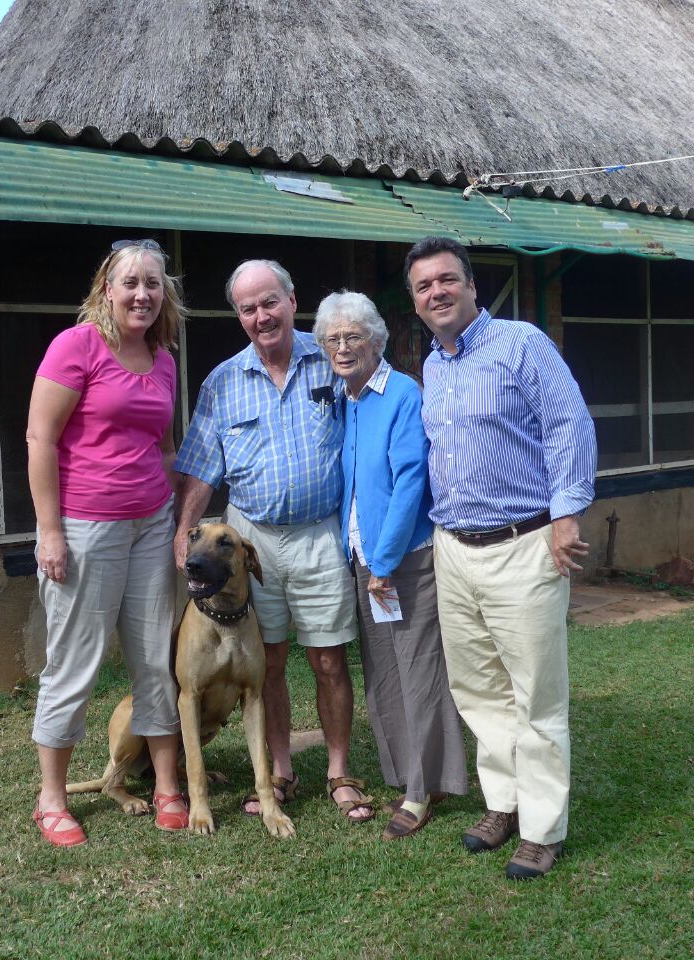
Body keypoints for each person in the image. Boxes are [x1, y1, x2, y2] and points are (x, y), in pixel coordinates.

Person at [405, 236, 596, 879]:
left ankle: (542, 829)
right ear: (415, 300)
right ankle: (504, 804)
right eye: (424, 286)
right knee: (479, 689)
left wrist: (567, 514)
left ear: (471, 285)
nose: (436, 292)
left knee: (536, 693)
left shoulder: (521, 344)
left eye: (446, 279)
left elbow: (568, 425)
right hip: (455, 549)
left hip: (522, 544)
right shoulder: (434, 366)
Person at [173, 260, 375, 823]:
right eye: (248, 308)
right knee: (272, 660)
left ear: (291, 301)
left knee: (329, 659)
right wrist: (183, 532)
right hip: (250, 539)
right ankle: (280, 770)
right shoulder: (222, 381)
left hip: (319, 533)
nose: (261, 316)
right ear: (239, 317)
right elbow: (200, 467)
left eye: (269, 302)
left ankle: (339, 771)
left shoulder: (331, 360)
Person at [25, 239, 189, 846]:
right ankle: (51, 798)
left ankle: (167, 784)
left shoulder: (163, 358)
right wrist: (49, 531)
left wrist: (174, 514)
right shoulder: (77, 347)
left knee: (154, 657)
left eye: (153, 283)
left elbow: (163, 447)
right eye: (131, 283)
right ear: (107, 289)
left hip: (151, 524)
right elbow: (40, 440)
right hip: (86, 528)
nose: (142, 294)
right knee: (75, 661)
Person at [314, 291, 468, 841]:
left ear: (376, 341)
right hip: (365, 560)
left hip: (402, 561)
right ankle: (412, 776)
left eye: (353, 336)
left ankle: (421, 790)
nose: (342, 347)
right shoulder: (348, 398)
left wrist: (382, 562)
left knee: (418, 670)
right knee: (384, 672)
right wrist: (362, 558)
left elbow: (410, 483)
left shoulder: (401, 393)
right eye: (332, 339)